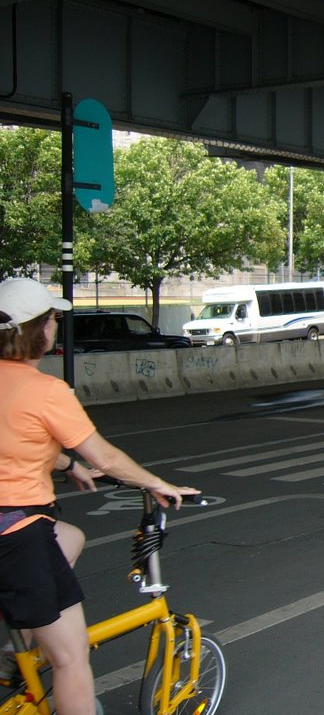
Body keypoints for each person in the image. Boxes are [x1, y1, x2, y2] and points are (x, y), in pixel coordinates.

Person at [0, 278, 199, 715]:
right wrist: (156, 483)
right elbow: (106, 457)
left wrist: (67, 466)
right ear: (40, 330)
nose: (55, 325)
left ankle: (20, 651)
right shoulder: (46, 391)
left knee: (68, 538)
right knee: (72, 659)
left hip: (12, 532)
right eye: (52, 318)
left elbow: (17, 440)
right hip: (15, 534)